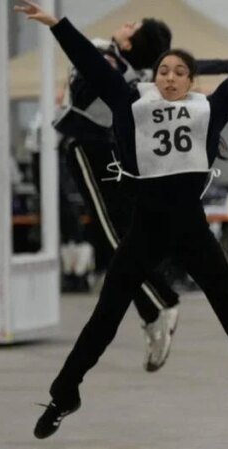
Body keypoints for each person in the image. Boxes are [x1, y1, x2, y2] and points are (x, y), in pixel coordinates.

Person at [16, 0, 228, 439]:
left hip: (191, 229)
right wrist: (55, 23)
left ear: (191, 81)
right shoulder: (130, 104)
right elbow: (91, 63)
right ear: (154, 77)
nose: (171, 77)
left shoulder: (210, 109)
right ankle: (63, 396)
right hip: (145, 228)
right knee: (104, 317)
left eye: (180, 72)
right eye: (164, 71)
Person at [52, 14, 182, 371]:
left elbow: (81, 89)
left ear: (129, 43)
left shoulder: (109, 59)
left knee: (114, 238)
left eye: (132, 27)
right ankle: (152, 310)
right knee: (119, 236)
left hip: (90, 148)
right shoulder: (125, 65)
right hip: (108, 149)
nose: (126, 23)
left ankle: (162, 300)